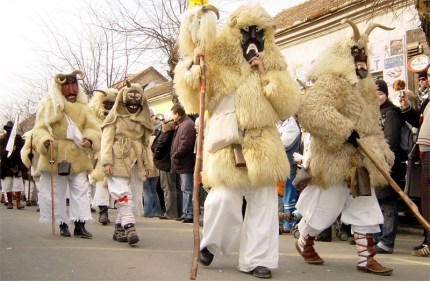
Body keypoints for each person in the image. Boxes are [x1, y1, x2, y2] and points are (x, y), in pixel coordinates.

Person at [174, 3, 300, 278]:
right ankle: (211, 241)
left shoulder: (273, 65)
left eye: (258, 31)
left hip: (263, 142)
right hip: (227, 142)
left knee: (264, 203)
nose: (252, 37)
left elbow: (287, 106)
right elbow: (193, 100)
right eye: (246, 31)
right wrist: (194, 65)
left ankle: (258, 260)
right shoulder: (215, 62)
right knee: (224, 198)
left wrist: (266, 75)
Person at [295, 19, 395, 275]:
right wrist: (345, 130)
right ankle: (304, 239)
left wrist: (382, 153)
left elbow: (373, 128)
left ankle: (366, 258)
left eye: (363, 54)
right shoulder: (333, 81)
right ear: (343, 56)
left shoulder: (367, 90)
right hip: (335, 160)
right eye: (355, 54)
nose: (361, 60)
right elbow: (312, 110)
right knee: (325, 209)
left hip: (363, 162)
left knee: (366, 207)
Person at [32, 70, 101, 238]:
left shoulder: (84, 108)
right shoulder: (47, 106)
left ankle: (80, 224)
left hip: (77, 153)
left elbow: (93, 128)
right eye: (66, 86)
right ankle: (62, 223)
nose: (71, 90)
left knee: (80, 189)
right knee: (57, 190)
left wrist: (90, 140)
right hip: (54, 154)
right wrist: (45, 141)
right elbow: (39, 129)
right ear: (59, 88)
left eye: (74, 85)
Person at [101, 81, 153, 245]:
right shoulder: (114, 118)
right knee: (122, 192)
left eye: (136, 104)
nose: (133, 107)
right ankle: (130, 226)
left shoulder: (143, 121)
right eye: (129, 103)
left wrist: (148, 165)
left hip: (137, 160)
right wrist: (106, 162)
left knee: (134, 195)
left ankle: (119, 229)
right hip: (117, 157)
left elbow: (146, 144)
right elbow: (106, 141)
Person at [399, 67, 430, 257]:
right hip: (424, 154)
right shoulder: (427, 101)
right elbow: (419, 123)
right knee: (425, 201)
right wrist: (405, 108)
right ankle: (428, 239)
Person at [375, 79, 403, 254]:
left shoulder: (391, 113)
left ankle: (387, 241)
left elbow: (391, 140)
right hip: (377, 164)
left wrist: (382, 159)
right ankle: (378, 238)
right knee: (378, 202)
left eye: (380, 93)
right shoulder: (374, 113)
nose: (377, 97)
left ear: (386, 94)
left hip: (389, 164)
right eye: (374, 94)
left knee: (388, 203)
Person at [88, 88, 118, 225]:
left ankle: (124, 213)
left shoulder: (118, 116)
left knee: (119, 183)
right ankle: (103, 211)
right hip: (100, 154)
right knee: (101, 181)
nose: (109, 106)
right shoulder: (94, 117)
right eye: (106, 103)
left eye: (112, 103)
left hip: (117, 153)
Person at [152, 114, 182, 220]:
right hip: (171, 163)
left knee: (169, 189)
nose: (161, 122)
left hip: (166, 164)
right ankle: (178, 212)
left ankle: (171, 213)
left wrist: (155, 157)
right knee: (175, 188)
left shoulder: (167, 131)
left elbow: (157, 146)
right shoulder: (175, 130)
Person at [170, 104, 196, 224]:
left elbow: (185, 144)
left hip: (185, 161)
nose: (172, 116)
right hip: (182, 162)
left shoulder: (187, 124)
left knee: (187, 189)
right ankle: (185, 212)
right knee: (184, 188)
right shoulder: (183, 124)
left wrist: (175, 154)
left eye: (172, 114)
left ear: (177, 114)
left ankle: (189, 213)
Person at [276, 116, 301, 233]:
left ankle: (289, 223)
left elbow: (285, 144)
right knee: (280, 195)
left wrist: (273, 140)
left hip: (289, 168)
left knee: (288, 197)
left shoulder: (292, 126)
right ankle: (282, 222)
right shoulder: (279, 123)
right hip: (278, 167)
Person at [142, 108, 163, 218]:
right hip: (155, 168)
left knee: (146, 190)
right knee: (153, 190)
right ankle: (158, 211)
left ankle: (148, 212)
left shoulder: (145, 139)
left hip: (147, 167)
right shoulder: (157, 136)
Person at [0, 121, 25, 210]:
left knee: (18, 183)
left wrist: (16, 149)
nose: (9, 130)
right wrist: (8, 151)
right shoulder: (2, 140)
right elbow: (1, 152)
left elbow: (23, 150)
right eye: (8, 129)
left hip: (16, 164)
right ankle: (10, 202)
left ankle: (18, 202)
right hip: (6, 165)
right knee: (7, 183)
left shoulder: (18, 139)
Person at [21, 130, 40, 207]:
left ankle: (38, 201)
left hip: (46, 164)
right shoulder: (30, 136)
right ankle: (39, 203)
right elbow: (25, 151)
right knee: (38, 185)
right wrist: (29, 155)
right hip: (36, 165)